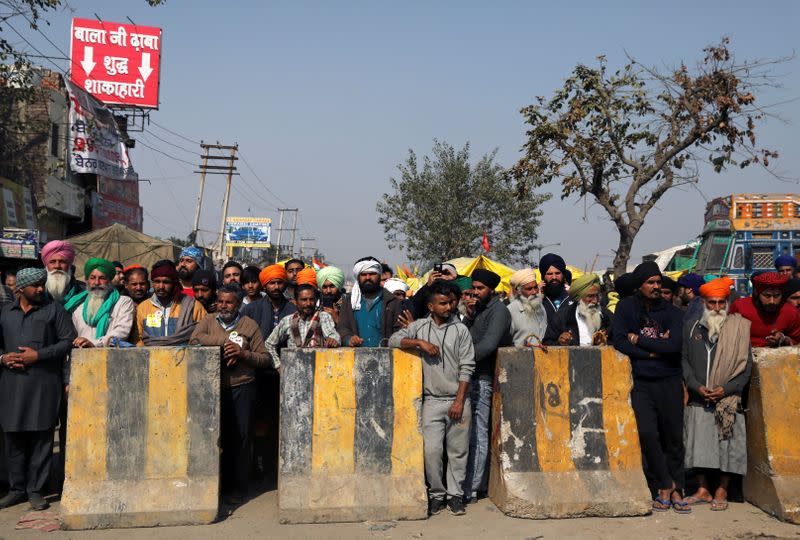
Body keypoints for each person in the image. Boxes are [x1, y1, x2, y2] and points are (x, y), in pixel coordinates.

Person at [388, 280, 475, 516]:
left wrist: (459, 401)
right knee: (432, 451)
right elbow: (393, 341)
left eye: (451, 303)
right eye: (443, 303)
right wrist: (418, 343)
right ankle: (436, 494)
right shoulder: (419, 328)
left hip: (458, 400)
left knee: (458, 452)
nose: (449, 307)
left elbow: (467, 367)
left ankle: (455, 496)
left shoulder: (461, 330)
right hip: (432, 401)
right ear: (431, 306)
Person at [611, 261, 689, 513]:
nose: (657, 287)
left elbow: (674, 347)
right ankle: (663, 483)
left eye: (659, 282)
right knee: (647, 433)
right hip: (642, 382)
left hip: (670, 380)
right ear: (640, 286)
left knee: (674, 436)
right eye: (651, 283)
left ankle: (677, 488)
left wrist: (640, 340)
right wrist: (653, 352)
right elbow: (620, 341)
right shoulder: (626, 307)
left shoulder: (674, 313)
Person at [0, 268, 75, 511]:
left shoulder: (55, 310)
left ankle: (35, 489)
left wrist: (38, 355)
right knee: (13, 437)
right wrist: (2, 359)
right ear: (21, 289)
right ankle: (17, 489)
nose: (41, 289)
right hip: (12, 385)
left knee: (42, 437)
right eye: (35, 285)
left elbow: (67, 341)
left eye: (42, 284)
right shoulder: (5, 313)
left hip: (44, 384)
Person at [190, 284, 269, 503]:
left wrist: (242, 353)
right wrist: (225, 342)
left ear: (237, 303)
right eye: (221, 301)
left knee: (241, 438)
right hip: (212, 388)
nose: (224, 306)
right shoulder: (207, 321)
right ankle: (219, 486)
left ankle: (239, 487)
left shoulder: (249, 325)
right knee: (217, 438)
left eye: (229, 302)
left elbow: (264, 358)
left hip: (242, 387)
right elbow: (195, 341)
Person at [682, 278, 753, 511]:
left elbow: (746, 368)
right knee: (698, 443)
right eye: (711, 303)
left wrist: (727, 389)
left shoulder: (740, 328)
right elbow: (684, 361)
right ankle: (703, 490)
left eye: (721, 303)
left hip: (728, 399)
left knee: (729, 445)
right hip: (699, 396)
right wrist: (695, 386)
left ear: (727, 303)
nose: (717, 308)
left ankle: (722, 490)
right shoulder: (691, 327)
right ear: (703, 302)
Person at [463, 269, 511, 504]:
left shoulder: (499, 311)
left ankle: (474, 487)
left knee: (479, 432)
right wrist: (469, 316)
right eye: (474, 287)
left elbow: (488, 345)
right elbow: (466, 336)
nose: (475, 292)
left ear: (491, 290)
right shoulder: (479, 310)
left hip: (483, 377)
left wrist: (460, 360)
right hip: (470, 375)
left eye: (480, 288)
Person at [265, 284, 340, 371]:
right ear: (296, 301)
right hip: (294, 372)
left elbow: (334, 335)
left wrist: (333, 340)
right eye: (304, 300)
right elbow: (268, 344)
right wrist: (279, 366)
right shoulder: (287, 321)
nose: (308, 303)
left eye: (311, 299)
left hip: (318, 371)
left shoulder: (323, 317)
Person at [132, 260, 207, 346]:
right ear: (152, 283)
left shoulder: (193, 306)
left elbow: (203, 335)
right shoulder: (143, 308)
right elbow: (137, 341)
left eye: (166, 282)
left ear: (174, 283)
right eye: (157, 281)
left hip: (184, 358)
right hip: (152, 358)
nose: (161, 287)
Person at [336, 258, 407, 347]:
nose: (368, 277)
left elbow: (399, 331)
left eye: (372, 274)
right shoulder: (348, 301)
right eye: (363, 274)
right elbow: (342, 328)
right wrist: (349, 339)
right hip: (355, 357)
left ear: (379, 275)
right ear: (358, 277)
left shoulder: (392, 302)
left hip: (386, 357)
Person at [71, 258, 137, 348]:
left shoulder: (123, 302)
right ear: (87, 281)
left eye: (102, 278)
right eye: (92, 278)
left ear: (109, 281)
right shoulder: (78, 308)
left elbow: (122, 332)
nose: (97, 282)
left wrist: (94, 344)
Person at [728, 272, 800, 347]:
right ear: (757, 293)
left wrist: (783, 339)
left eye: (777, 296)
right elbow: (728, 336)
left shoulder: (791, 312)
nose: (772, 301)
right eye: (767, 295)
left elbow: (796, 340)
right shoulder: (740, 307)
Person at [544, 273, 612, 346]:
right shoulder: (562, 317)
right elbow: (547, 344)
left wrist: (604, 342)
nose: (595, 301)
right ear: (579, 298)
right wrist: (560, 342)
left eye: (597, 296)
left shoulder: (607, 316)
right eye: (590, 296)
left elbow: (618, 341)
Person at [242, 264, 297, 342]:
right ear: (264, 286)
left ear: (285, 285)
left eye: (279, 283)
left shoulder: (293, 309)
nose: (276, 287)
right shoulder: (250, 309)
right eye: (272, 283)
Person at [507, 269, 548, 348]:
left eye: (536, 287)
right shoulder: (510, 310)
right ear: (519, 291)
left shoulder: (540, 306)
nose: (534, 292)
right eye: (529, 289)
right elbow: (506, 342)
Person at [40, 240, 84, 308]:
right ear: (46, 266)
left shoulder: (83, 291)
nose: (57, 266)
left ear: (69, 265)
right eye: (52, 262)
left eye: (62, 262)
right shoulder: (37, 291)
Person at [538, 253, 573, 321]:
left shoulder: (571, 297)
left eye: (557, 273)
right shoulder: (537, 299)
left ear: (563, 274)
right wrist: (537, 295)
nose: (554, 277)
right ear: (543, 276)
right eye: (549, 274)